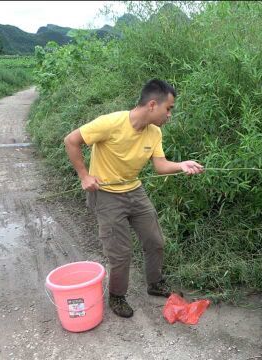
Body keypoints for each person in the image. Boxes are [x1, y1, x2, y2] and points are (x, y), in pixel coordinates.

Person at [63, 79, 204, 318]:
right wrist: (84, 176)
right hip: (106, 194)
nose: (169, 115)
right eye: (168, 108)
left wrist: (181, 165)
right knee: (120, 253)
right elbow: (71, 140)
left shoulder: (154, 132)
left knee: (155, 240)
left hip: (134, 191)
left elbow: (160, 166)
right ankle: (117, 296)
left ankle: (155, 283)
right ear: (152, 105)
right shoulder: (111, 123)